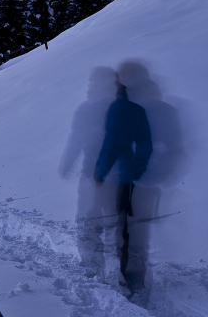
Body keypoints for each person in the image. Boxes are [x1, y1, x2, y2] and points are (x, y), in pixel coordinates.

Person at [94, 72, 153, 300]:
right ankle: (134, 275)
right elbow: (145, 144)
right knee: (131, 226)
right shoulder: (140, 110)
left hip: (120, 178)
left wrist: (100, 171)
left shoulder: (117, 110)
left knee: (121, 227)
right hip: (133, 177)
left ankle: (125, 276)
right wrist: (138, 169)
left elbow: (112, 144)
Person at [60, 67, 119, 278]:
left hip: (95, 177)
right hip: (117, 176)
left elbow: (77, 138)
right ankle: (118, 268)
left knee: (89, 223)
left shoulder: (90, 108)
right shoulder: (121, 106)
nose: (89, 85)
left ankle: (94, 267)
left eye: (93, 81)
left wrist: (67, 163)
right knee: (113, 223)